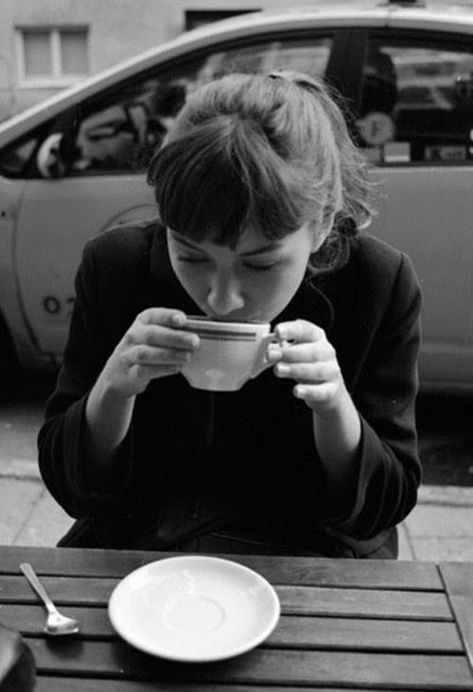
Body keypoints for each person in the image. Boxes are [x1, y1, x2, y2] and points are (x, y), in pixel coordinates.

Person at [38, 70, 422, 558]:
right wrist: (114, 389)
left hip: (309, 560)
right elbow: (70, 488)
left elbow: (387, 505)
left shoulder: (376, 284)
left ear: (323, 224)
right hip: (141, 554)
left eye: (259, 263)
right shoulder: (116, 267)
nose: (221, 299)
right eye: (191, 255)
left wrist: (334, 407)